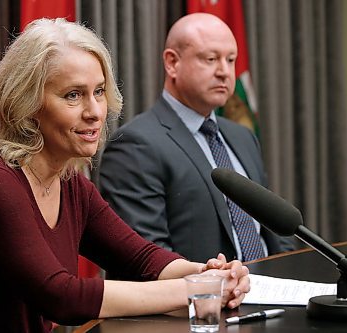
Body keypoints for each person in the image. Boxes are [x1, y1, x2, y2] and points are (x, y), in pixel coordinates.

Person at [0, 18, 250, 333]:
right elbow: (62, 297)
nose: (95, 111)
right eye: (73, 95)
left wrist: (206, 272)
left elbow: (140, 258)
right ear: (27, 103)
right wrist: (196, 290)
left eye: (98, 92)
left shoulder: (70, 184)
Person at [99, 13, 294, 264]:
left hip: (273, 293)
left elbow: (275, 225)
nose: (224, 72)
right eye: (211, 59)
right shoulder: (134, 144)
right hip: (200, 298)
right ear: (172, 63)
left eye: (231, 60)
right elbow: (145, 256)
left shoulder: (243, 136)